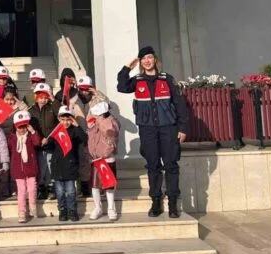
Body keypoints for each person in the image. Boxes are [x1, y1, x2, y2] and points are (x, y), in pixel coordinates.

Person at [117, 45, 189, 219]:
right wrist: (127, 67)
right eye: (143, 59)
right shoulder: (137, 80)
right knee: (153, 166)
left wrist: (183, 128)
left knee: (171, 165)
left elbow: (180, 105)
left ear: (155, 60)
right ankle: (156, 201)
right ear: (140, 62)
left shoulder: (167, 79)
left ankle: (172, 203)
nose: (147, 61)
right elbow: (121, 86)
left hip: (168, 129)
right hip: (147, 130)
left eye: (149, 57)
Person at [43, 106, 87, 222]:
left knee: (71, 191)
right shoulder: (56, 131)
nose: (66, 122)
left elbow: (84, 139)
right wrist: (46, 143)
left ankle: (72, 210)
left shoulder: (75, 130)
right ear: (59, 119)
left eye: (68, 119)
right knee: (60, 192)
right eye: (63, 119)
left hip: (71, 165)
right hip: (57, 166)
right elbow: (50, 146)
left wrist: (77, 126)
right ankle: (62, 210)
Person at [73, 75, 111, 198]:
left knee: (99, 162)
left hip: (96, 136)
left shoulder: (97, 99)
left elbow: (108, 105)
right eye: (82, 89)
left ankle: (102, 187)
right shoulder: (73, 101)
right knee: (83, 163)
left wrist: (97, 93)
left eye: (86, 89)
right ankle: (84, 188)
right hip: (81, 135)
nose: (84, 92)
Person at [87, 101, 120, 221]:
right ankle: (98, 207)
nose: (93, 117)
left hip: (107, 158)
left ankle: (111, 208)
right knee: (95, 186)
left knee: (109, 185)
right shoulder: (94, 124)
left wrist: (101, 123)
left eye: (96, 115)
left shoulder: (110, 123)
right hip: (96, 159)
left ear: (101, 115)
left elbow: (110, 135)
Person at [7, 110, 41, 223]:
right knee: (21, 191)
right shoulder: (12, 138)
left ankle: (33, 207)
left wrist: (32, 131)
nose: (22, 129)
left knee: (32, 188)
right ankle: (22, 212)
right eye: (19, 127)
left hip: (31, 168)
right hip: (18, 169)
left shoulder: (30, 136)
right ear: (15, 127)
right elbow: (9, 148)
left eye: (24, 127)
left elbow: (37, 142)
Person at [28, 82, 59, 200]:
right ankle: (41, 187)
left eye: (45, 98)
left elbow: (60, 114)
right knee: (41, 167)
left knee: (50, 166)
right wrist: (38, 139)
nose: (43, 100)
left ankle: (51, 187)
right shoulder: (31, 111)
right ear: (36, 97)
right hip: (38, 145)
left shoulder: (52, 108)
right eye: (41, 97)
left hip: (51, 143)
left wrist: (53, 99)